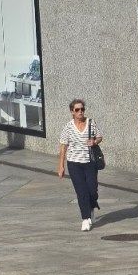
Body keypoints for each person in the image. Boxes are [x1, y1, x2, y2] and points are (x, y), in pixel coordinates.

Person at [58, 99, 103, 232]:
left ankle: (91, 207)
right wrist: (61, 166)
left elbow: (100, 137)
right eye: (77, 110)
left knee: (92, 190)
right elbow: (63, 146)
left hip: (90, 162)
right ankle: (85, 218)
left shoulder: (91, 123)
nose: (80, 112)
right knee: (81, 191)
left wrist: (94, 142)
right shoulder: (68, 127)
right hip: (74, 163)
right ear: (72, 112)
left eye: (82, 109)